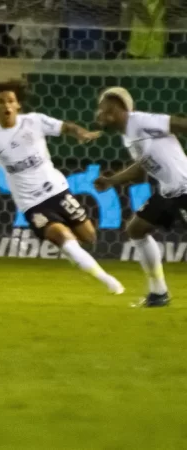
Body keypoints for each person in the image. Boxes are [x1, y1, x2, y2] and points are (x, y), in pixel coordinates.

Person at [0, 79, 124, 295]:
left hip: (57, 190)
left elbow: (65, 127)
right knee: (64, 238)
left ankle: (74, 253)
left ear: (18, 105)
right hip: (31, 203)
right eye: (1, 102)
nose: (7, 105)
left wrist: (80, 133)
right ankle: (108, 281)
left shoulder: (34, 121)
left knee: (89, 237)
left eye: (11, 101)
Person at [94, 86, 187, 307]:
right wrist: (112, 181)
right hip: (168, 192)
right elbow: (141, 167)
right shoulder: (129, 135)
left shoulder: (141, 121)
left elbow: (179, 123)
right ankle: (158, 293)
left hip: (185, 188)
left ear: (122, 110)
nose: (102, 114)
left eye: (108, 109)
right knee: (136, 229)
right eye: (101, 109)